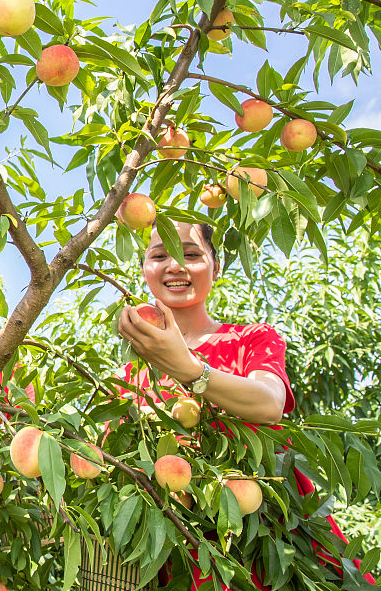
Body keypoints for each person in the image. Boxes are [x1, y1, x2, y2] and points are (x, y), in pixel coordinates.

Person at [118, 220, 374, 589]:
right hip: (177, 549)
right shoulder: (133, 372)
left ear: (216, 268)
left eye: (190, 254)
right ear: (144, 268)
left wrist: (188, 369)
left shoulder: (251, 339)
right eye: (160, 256)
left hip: (266, 542)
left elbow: (269, 402)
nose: (174, 265)